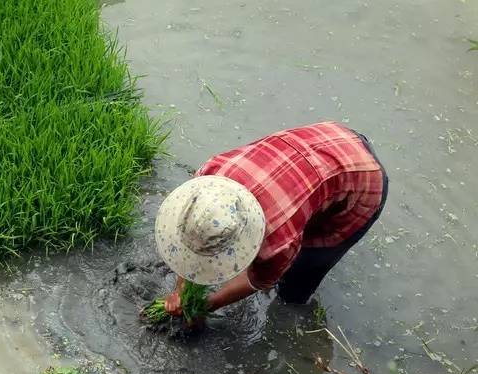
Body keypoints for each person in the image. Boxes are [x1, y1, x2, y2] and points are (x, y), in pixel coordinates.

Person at [154, 122, 388, 319]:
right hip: (328, 137)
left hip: (363, 181)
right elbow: (192, 238)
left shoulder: (277, 242)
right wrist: (181, 289)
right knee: (304, 213)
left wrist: (207, 306)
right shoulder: (208, 176)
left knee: (296, 284)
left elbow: (258, 281)